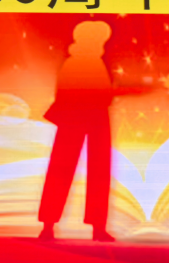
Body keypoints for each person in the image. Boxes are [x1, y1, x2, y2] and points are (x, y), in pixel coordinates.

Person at [38, 20, 115, 242]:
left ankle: (96, 227)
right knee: (62, 170)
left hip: (94, 117)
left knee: (97, 172)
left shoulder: (93, 62)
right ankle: (49, 225)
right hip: (76, 117)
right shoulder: (76, 63)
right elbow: (72, 92)